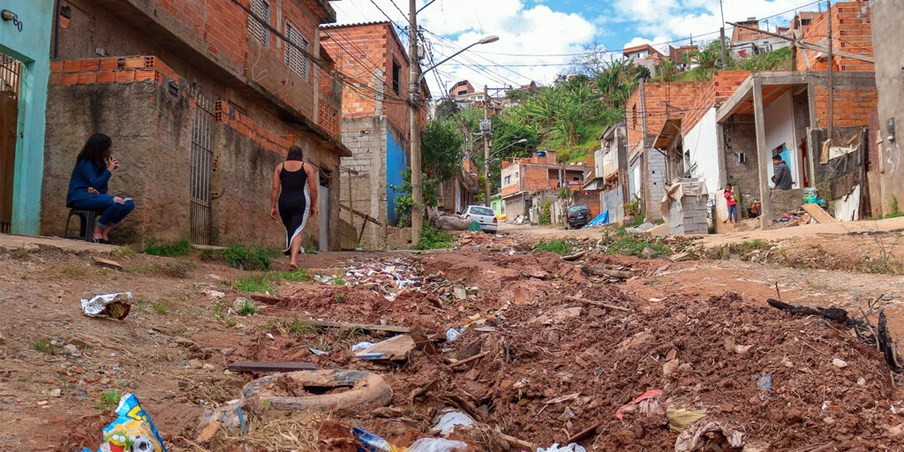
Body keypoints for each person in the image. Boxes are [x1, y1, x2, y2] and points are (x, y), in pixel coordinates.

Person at [66, 133, 135, 244]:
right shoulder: (85, 163)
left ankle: (104, 232)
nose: (110, 149)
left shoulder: (101, 165)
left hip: (92, 196)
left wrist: (95, 188)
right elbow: (96, 183)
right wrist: (109, 170)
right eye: (108, 146)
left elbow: (101, 190)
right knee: (115, 201)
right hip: (79, 197)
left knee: (128, 203)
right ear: (100, 148)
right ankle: (97, 230)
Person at [271, 145, 318, 270]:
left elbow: (275, 188)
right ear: (301, 155)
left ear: (288, 154)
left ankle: (291, 254)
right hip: (301, 202)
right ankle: (293, 260)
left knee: (290, 229)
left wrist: (273, 206)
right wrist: (313, 205)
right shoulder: (306, 167)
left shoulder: (279, 167)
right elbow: (313, 188)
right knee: (298, 230)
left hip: (284, 202)